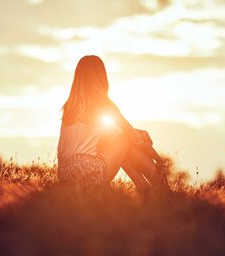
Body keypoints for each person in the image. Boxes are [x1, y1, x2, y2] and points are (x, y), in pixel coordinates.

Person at [57, 55, 167, 192]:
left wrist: (136, 133)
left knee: (123, 143)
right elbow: (131, 136)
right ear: (101, 77)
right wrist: (159, 159)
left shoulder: (69, 108)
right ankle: (161, 186)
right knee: (126, 137)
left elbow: (107, 137)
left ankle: (144, 188)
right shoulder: (103, 104)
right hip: (89, 171)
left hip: (64, 175)